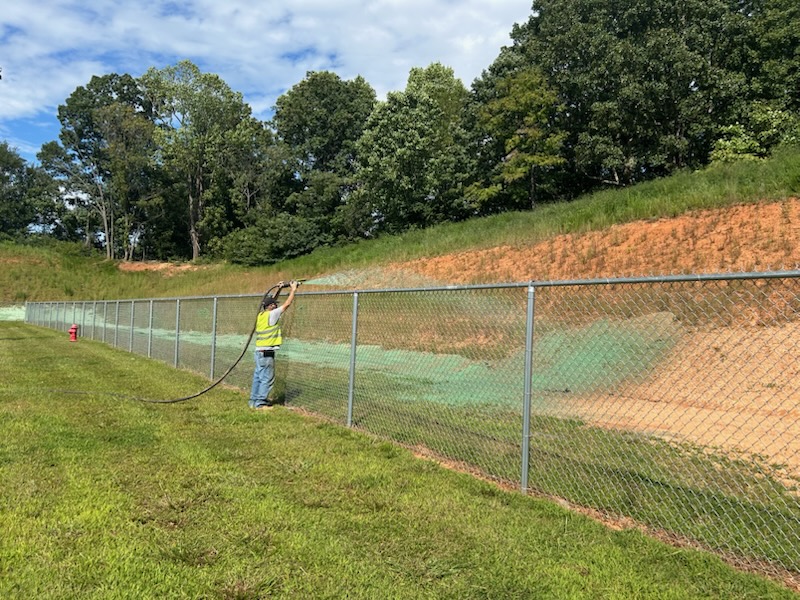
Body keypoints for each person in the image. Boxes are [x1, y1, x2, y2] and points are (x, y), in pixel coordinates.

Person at [249, 280, 298, 409]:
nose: (276, 306)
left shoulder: (261, 315)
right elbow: (287, 304)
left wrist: (280, 288)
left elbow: (271, 300)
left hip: (258, 352)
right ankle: (260, 404)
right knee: (267, 378)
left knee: (258, 377)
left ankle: (253, 401)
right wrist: (293, 289)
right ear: (271, 306)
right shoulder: (273, 314)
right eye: (274, 305)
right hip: (266, 353)